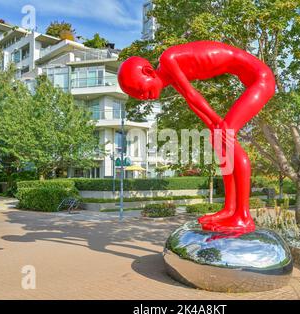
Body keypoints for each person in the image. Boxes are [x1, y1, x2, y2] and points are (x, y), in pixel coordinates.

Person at [118, 40, 276, 233]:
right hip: (252, 79)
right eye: (135, 95)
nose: (141, 96)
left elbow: (193, 95)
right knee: (219, 140)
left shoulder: (168, 59)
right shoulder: (170, 76)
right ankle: (230, 209)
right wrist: (213, 126)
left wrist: (218, 123)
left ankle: (243, 216)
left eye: (138, 89)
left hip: (261, 80)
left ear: (148, 72)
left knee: (227, 137)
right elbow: (191, 103)